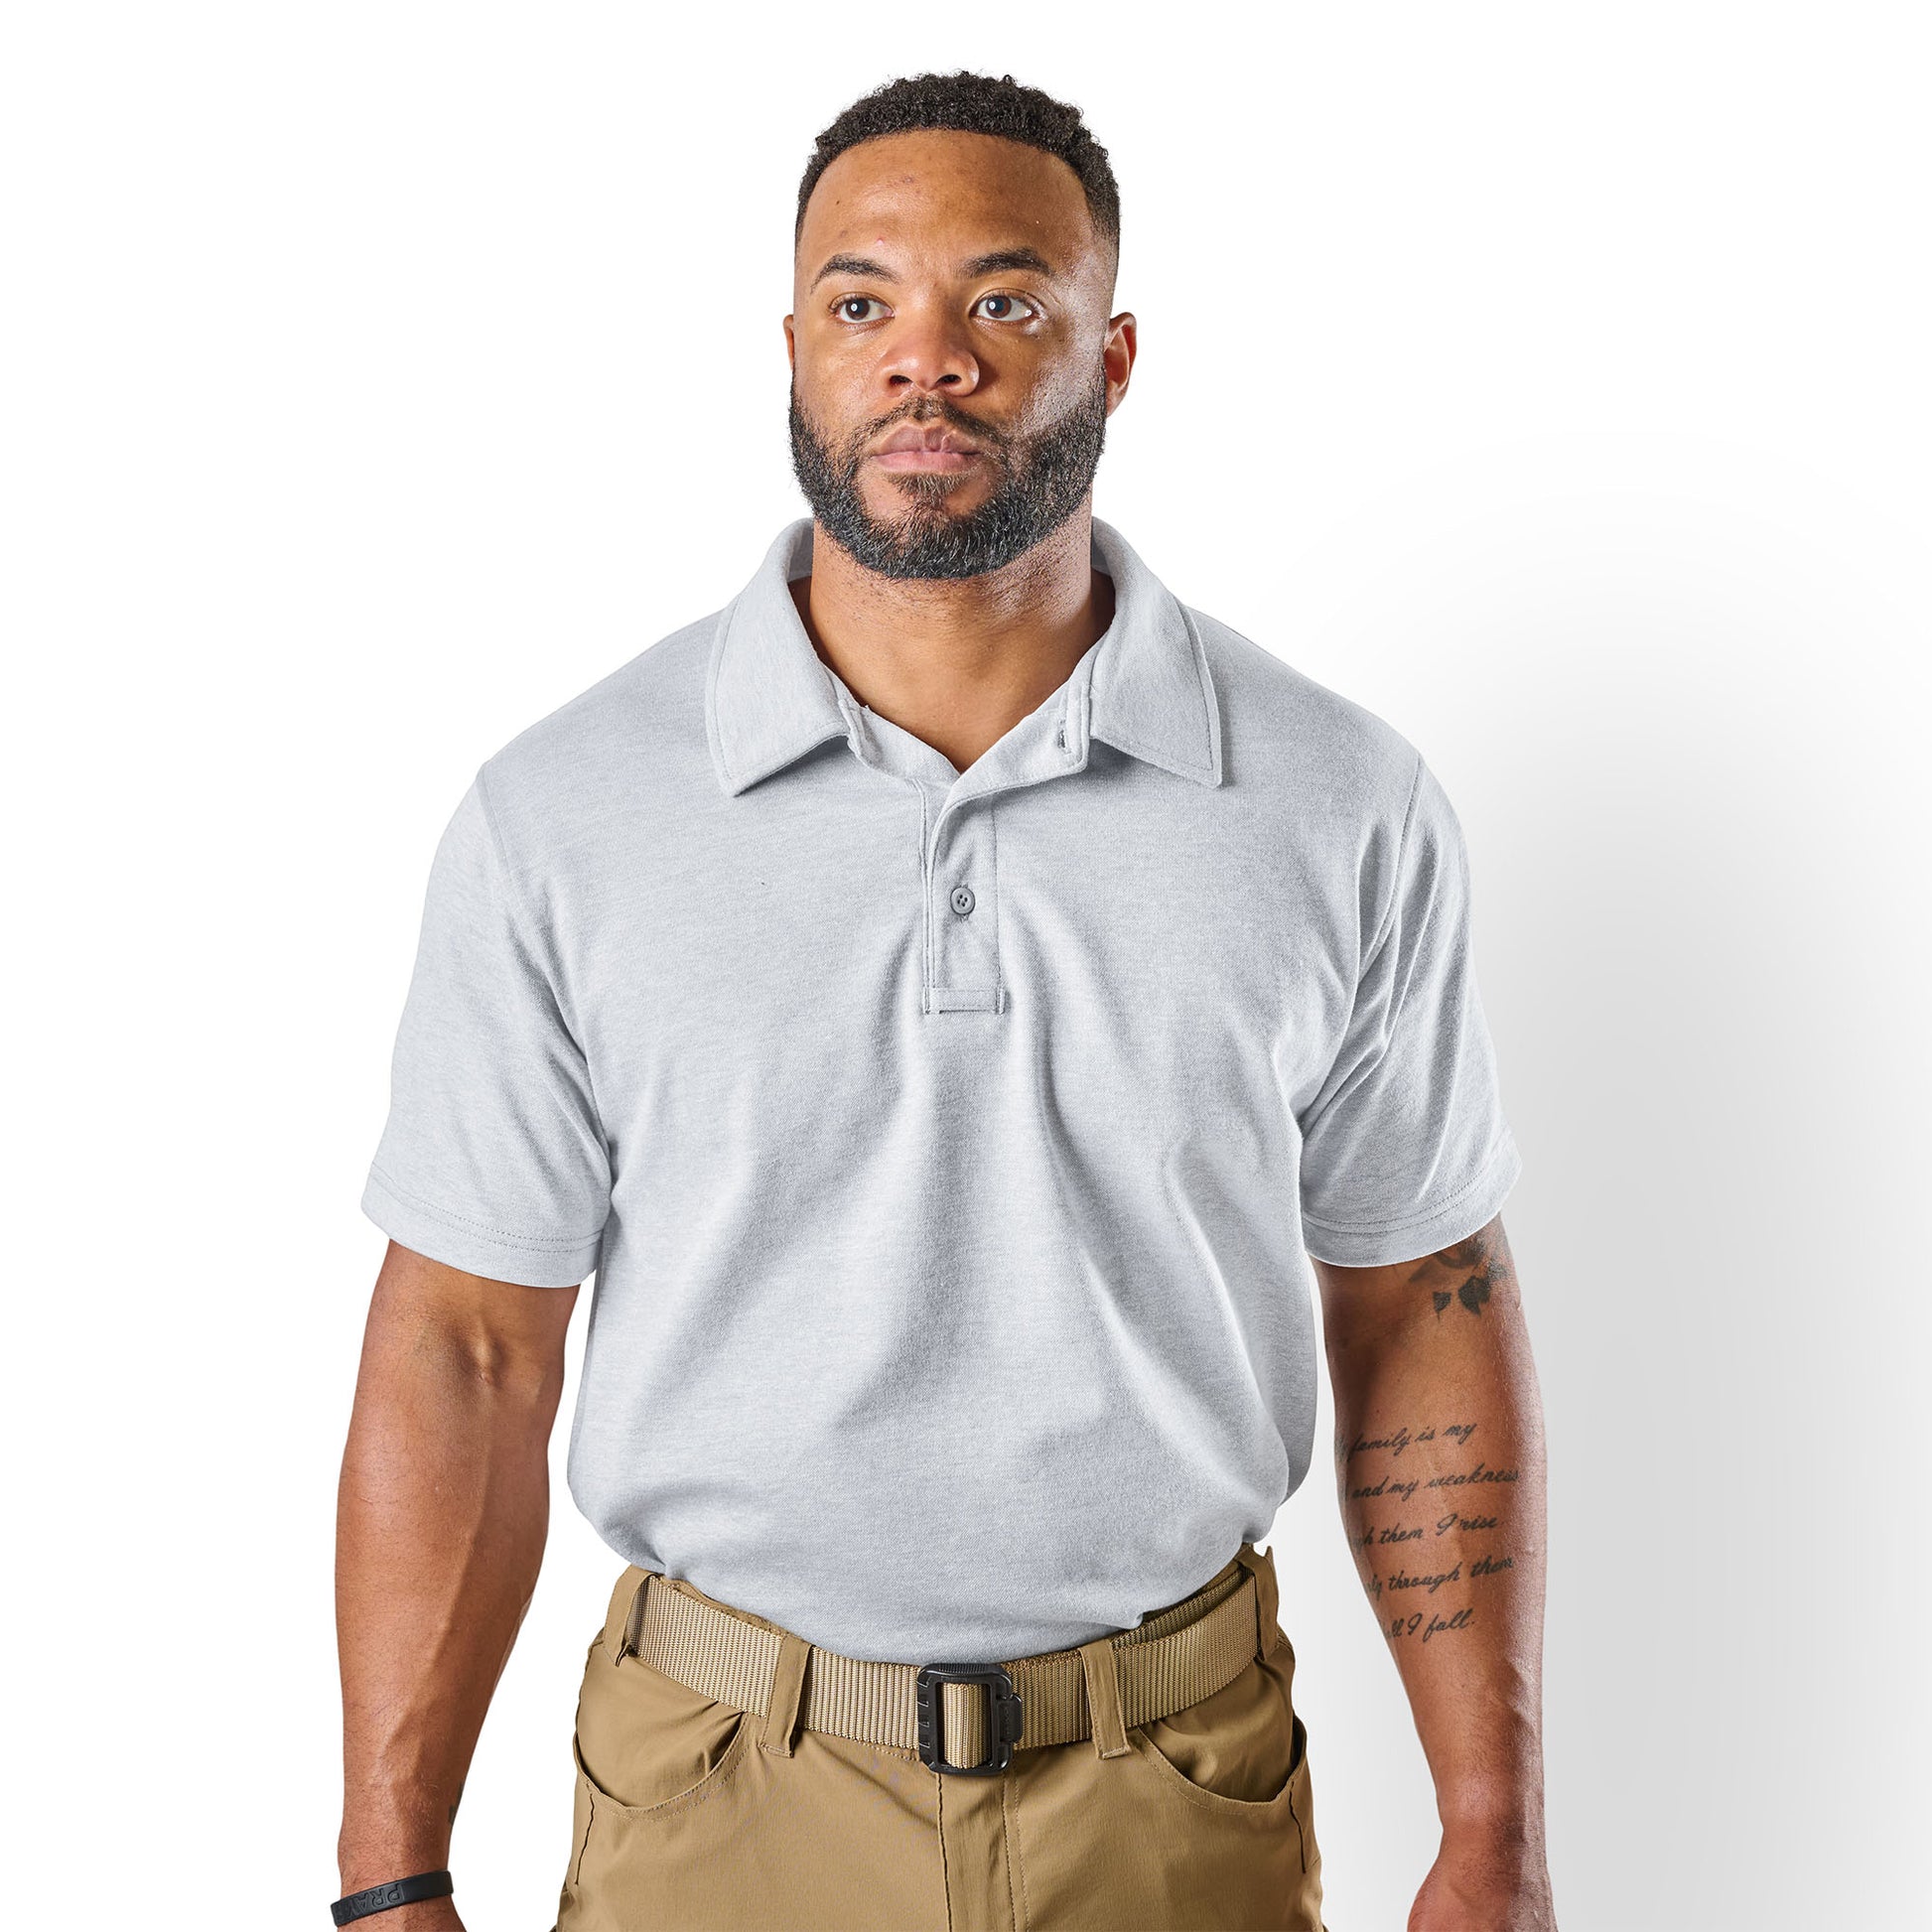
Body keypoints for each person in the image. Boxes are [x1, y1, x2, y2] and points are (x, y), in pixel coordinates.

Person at [334, 69, 1557, 1932]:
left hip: (1175, 1791)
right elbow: (466, 1347)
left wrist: (1491, 1828)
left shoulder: (1336, 802)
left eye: (1003, 300)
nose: (927, 357)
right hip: (715, 1798)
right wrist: (387, 1872)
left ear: (1113, 356)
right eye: (861, 301)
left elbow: (1416, 1299)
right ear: (793, 352)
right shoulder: (565, 814)